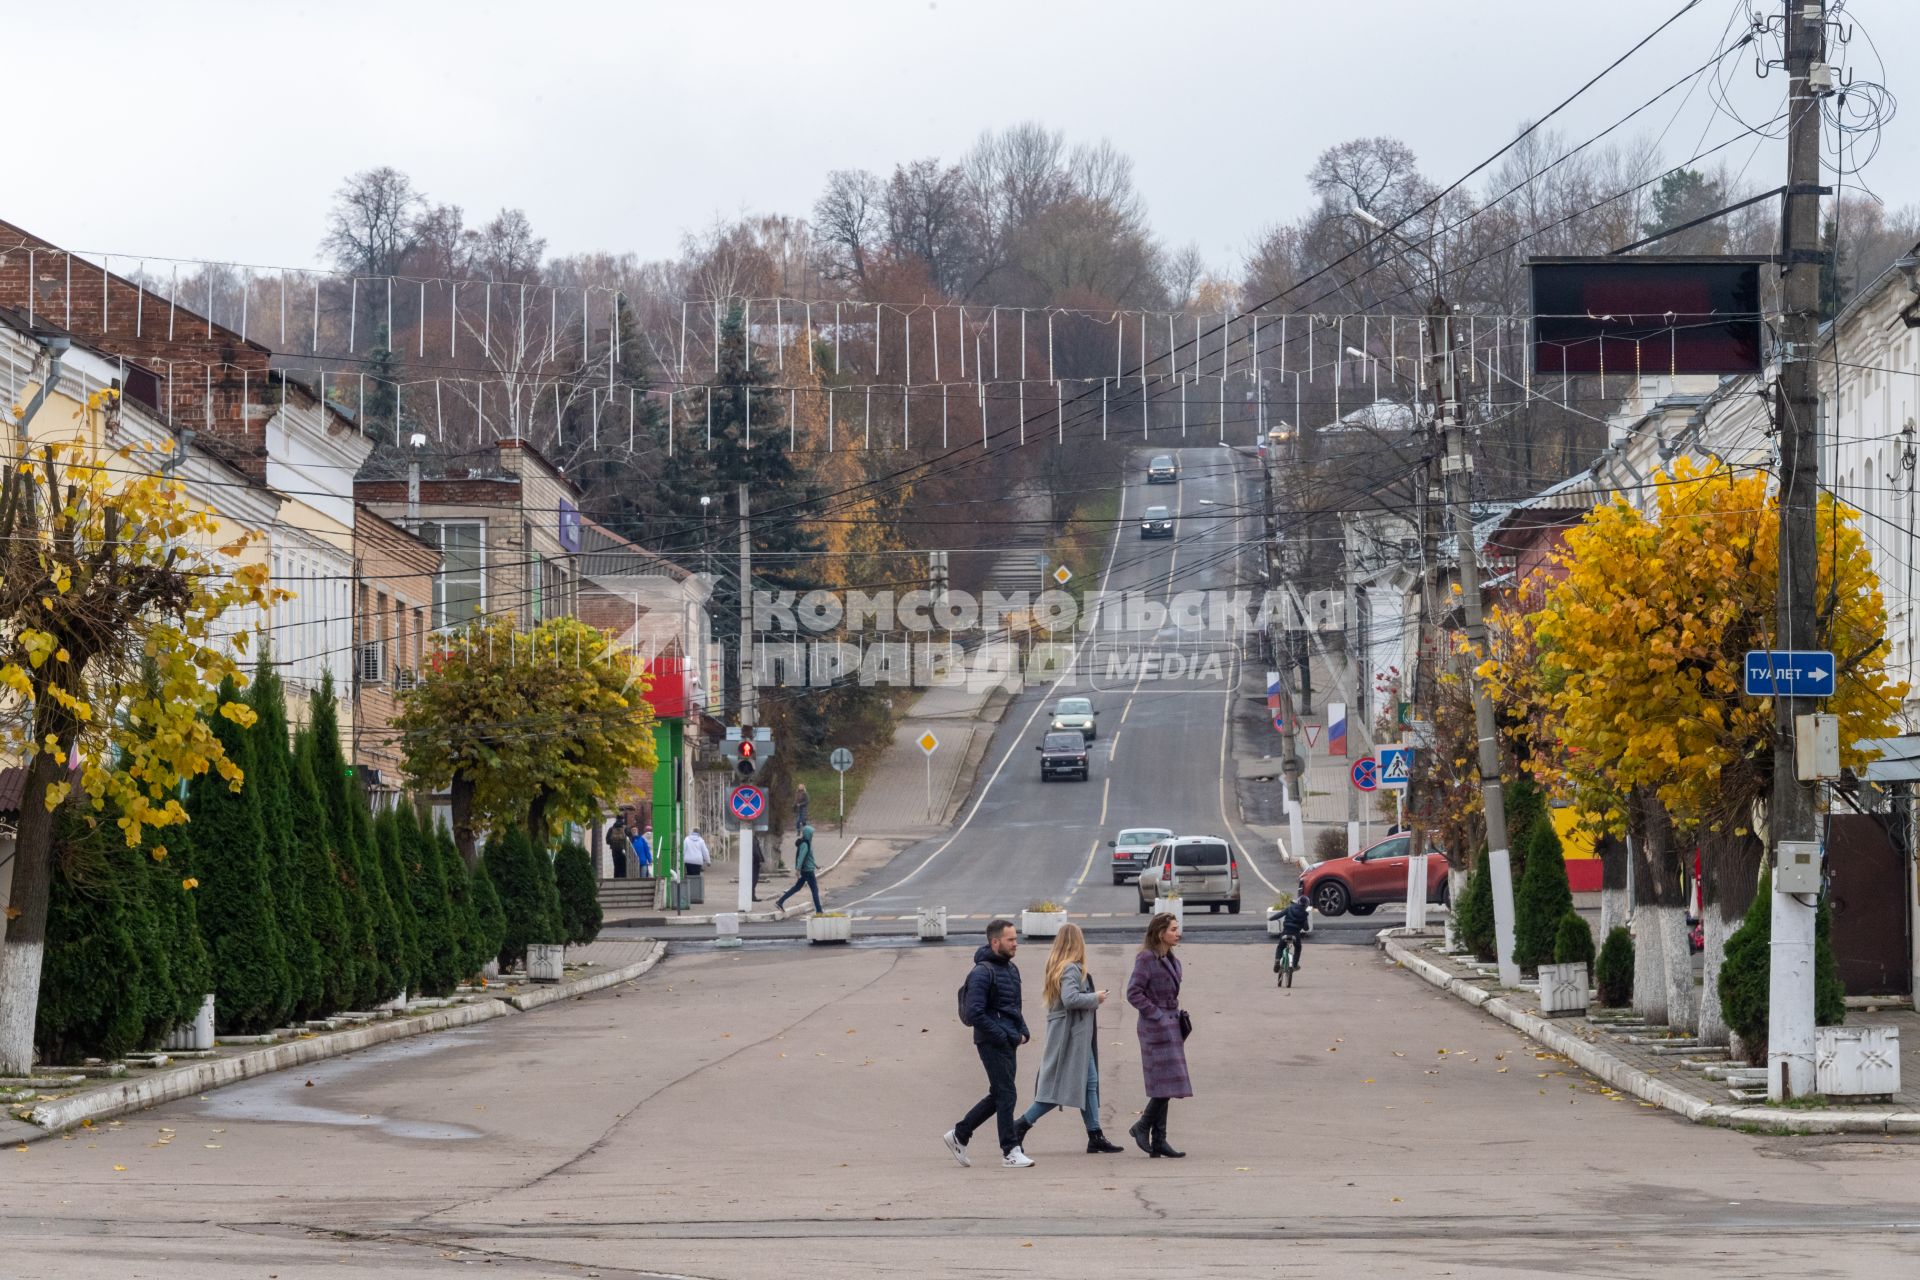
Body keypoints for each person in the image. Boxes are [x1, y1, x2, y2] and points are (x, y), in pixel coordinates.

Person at [1011, 923, 1123, 1155]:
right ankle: (1020, 1125)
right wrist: (1096, 997)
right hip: (1071, 1036)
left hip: (1072, 1035)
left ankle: (1095, 1134)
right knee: (1057, 1088)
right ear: (1076, 943)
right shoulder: (1071, 968)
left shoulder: (1058, 966)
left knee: (1089, 1083)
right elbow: (1070, 999)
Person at [943, 919, 1034, 1169]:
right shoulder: (982, 972)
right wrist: (1002, 1035)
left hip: (1008, 1040)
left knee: (999, 1094)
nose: (1016, 944)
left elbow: (1012, 1006)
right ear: (995, 942)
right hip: (991, 1042)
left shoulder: (1011, 969)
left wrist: (1022, 1030)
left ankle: (960, 1134)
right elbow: (974, 1013)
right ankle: (1010, 1150)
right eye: (1010, 940)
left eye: (1016, 939)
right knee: (1007, 1094)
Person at [1126, 913, 1190, 1158]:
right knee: (1165, 1081)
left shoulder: (1170, 958)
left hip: (1171, 1024)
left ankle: (1159, 1139)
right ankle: (1142, 1126)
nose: (1178, 933)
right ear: (1160, 932)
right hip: (1155, 1026)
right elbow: (1133, 993)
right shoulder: (1146, 958)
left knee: (1169, 1081)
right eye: (1173, 929)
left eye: (1177, 928)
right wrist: (1157, 1014)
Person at [774, 824, 821, 913]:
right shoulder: (805, 844)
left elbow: (808, 857)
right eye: (811, 834)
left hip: (807, 870)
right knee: (815, 890)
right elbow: (801, 857)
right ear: (808, 834)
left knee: (797, 887)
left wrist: (816, 865)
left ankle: (780, 902)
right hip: (807, 871)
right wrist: (797, 870)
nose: (812, 835)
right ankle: (819, 911)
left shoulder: (806, 843)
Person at [1274, 894, 1311, 980]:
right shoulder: (1304, 914)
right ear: (1306, 905)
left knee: (1280, 947)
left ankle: (1277, 960)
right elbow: (1306, 928)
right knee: (1298, 947)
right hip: (1295, 935)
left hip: (1285, 932)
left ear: (1298, 902)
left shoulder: (1289, 908)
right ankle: (1294, 965)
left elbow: (1279, 915)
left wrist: (1270, 919)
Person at [682, 827, 710, 901]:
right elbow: (705, 852)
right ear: (699, 833)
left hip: (688, 861)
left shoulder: (687, 839)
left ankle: (689, 894)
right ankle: (696, 894)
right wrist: (708, 861)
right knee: (696, 877)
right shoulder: (701, 841)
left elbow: (683, 850)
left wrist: (681, 859)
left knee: (689, 876)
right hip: (697, 861)